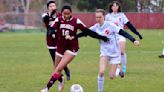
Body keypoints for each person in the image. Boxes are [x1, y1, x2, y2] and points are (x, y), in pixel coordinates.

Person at [40, 5, 108, 92]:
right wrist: (51, 31)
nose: (66, 15)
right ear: (62, 13)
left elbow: (87, 31)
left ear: (71, 13)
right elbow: (51, 29)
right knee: (56, 68)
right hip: (60, 46)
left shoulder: (76, 21)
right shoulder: (59, 19)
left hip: (72, 48)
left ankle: (46, 88)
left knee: (59, 69)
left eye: (68, 14)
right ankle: (61, 81)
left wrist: (101, 37)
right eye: (64, 14)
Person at [90, 9, 140, 92]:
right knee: (101, 72)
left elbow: (123, 32)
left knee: (111, 76)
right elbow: (85, 31)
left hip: (115, 54)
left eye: (100, 17)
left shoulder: (111, 25)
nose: (98, 19)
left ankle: (118, 69)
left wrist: (133, 40)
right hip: (104, 53)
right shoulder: (96, 27)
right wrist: (73, 35)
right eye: (96, 17)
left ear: (104, 17)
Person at [105, 1, 143, 73]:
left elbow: (129, 25)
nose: (115, 7)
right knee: (113, 53)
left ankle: (124, 67)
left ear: (118, 7)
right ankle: (117, 67)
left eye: (116, 6)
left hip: (121, 35)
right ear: (111, 7)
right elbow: (105, 27)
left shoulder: (122, 15)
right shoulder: (108, 16)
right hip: (112, 37)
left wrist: (137, 33)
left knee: (122, 52)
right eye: (113, 6)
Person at [42, 0, 71, 81]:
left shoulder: (59, 15)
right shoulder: (45, 15)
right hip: (50, 40)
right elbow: (45, 19)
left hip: (59, 39)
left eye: (53, 6)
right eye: (50, 6)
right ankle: (60, 76)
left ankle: (66, 71)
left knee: (60, 58)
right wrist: (50, 14)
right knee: (55, 60)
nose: (52, 7)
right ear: (48, 8)